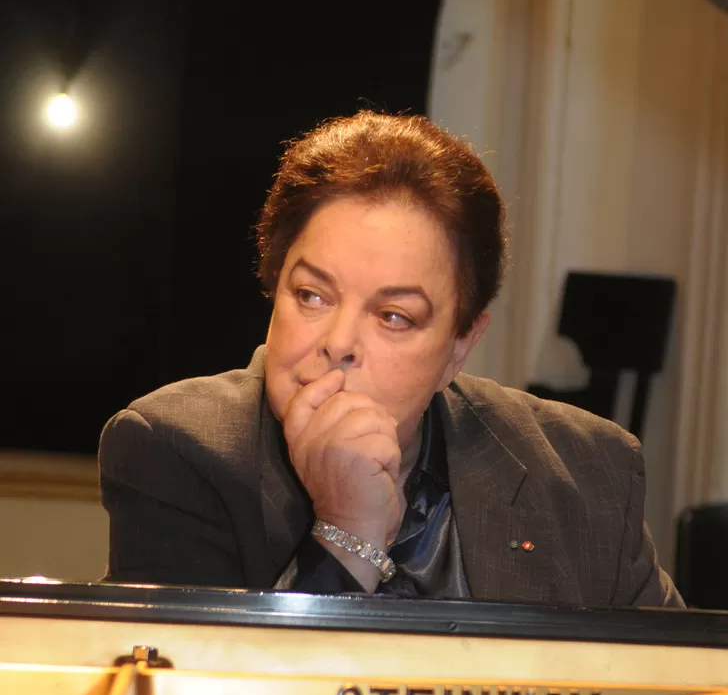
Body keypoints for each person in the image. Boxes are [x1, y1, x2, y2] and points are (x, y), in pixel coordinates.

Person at [99, 111, 682, 606]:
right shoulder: (175, 450)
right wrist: (347, 531)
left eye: (394, 316)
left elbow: (679, 693)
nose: (339, 342)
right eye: (312, 295)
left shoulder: (590, 472)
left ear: (460, 346)